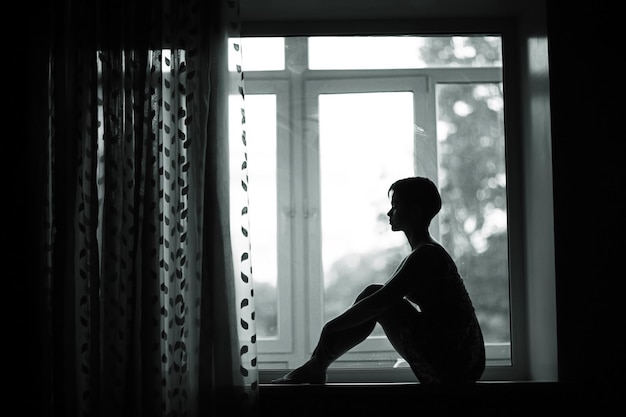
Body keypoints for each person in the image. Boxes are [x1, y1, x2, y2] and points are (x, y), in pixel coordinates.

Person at [271, 176, 485, 385]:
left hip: (456, 359)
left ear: (415, 211)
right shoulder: (424, 251)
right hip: (460, 354)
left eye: (395, 206)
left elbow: (380, 302)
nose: (389, 212)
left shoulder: (426, 254)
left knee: (376, 298)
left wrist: (331, 327)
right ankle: (316, 366)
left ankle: (316, 367)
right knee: (374, 294)